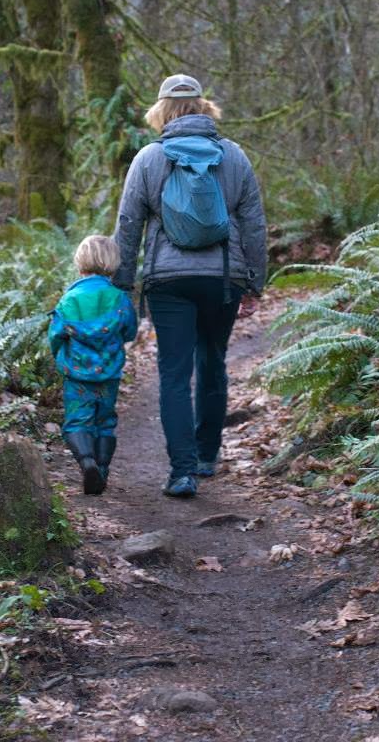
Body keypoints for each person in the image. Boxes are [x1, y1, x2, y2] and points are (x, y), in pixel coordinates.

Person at [113, 74, 267, 498]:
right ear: (204, 107)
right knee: (213, 361)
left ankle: (182, 473)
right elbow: (254, 224)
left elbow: (128, 223)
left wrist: (123, 283)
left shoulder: (148, 158)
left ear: (160, 111)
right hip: (223, 278)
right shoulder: (233, 156)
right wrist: (254, 283)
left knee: (175, 373)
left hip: (168, 280)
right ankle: (206, 456)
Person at [49, 235, 137, 495]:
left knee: (77, 421)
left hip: (77, 375)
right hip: (109, 373)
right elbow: (130, 331)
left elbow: (55, 336)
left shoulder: (69, 300)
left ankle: (87, 462)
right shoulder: (119, 298)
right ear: (112, 263)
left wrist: (60, 357)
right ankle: (102, 468)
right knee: (105, 422)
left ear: (80, 262)